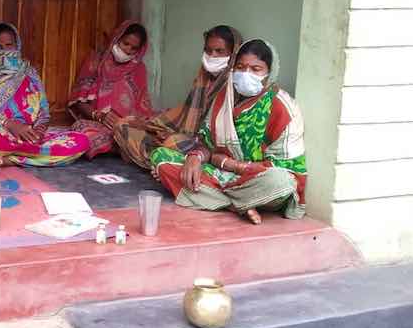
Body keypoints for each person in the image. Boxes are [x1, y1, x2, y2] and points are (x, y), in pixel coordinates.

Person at [149, 39, 307, 224]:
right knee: (161, 157)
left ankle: (222, 200)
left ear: (269, 72)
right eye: (240, 67)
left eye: (256, 69)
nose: (245, 74)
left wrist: (233, 165)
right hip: (220, 175)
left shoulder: (282, 107)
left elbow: (288, 168)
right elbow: (207, 145)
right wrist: (195, 157)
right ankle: (239, 205)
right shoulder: (224, 97)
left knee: (282, 182)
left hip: (257, 180)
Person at [0, 23, 90, 168]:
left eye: (9, 45)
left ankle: (11, 159)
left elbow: (44, 113)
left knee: (81, 141)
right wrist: (10, 125)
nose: (5, 51)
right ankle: (31, 156)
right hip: (2, 133)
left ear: (17, 45)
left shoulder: (30, 74)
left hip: (31, 137)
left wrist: (37, 133)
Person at [114, 25, 242, 169]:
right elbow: (186, 117)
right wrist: (163, 130)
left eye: (219, 51)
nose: (212, 56)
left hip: (208, 148)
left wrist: (179, 138)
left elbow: (222, 136)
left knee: (172, 143)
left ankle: (162, 161)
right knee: (125, 124)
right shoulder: (203, 78)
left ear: (233, 53)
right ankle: (162, 161)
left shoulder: (235, 86)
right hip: (184, 136)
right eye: (208, 50)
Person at [68, 20, 154, 159]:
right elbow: (79, 102)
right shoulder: (96, 61)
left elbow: (143, 108)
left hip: (127, 127)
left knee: (152, 133)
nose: (128, 50)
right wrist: (99, 116)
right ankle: (124, 147)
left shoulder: (139, 69)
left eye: (134, 48)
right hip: (99, 124)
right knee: (81, 128)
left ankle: (123, 144)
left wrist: (128, 123)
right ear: (117, 38)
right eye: (126, 43)